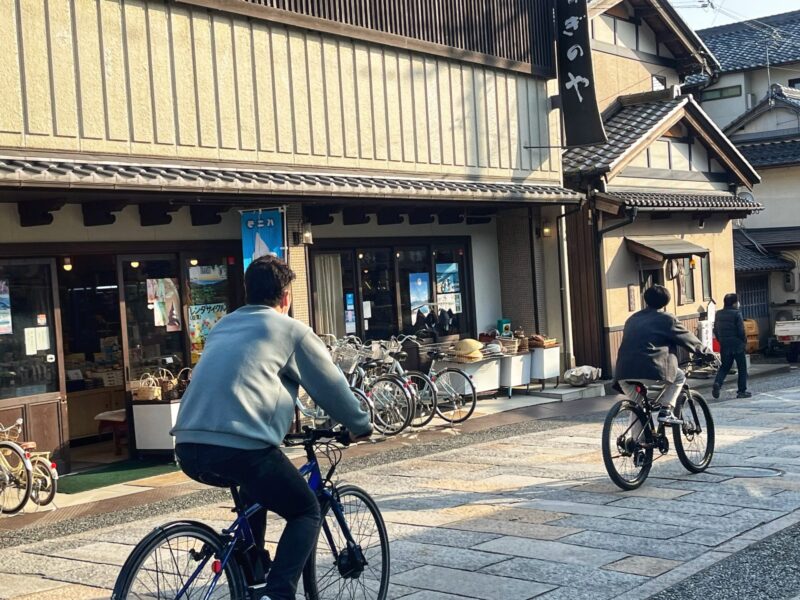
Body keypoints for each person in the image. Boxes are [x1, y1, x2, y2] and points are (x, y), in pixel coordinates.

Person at [171, 256, 373, 600]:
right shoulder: (290, 330)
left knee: (257, 493)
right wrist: (359, 425)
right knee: (306, 510)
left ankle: (252, 575)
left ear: (248, 292)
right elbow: (330, 386)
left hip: (188, 447)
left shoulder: (223, 325)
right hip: (241, 447)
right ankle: (278, 594)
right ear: (286, 297)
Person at [615, 284, 712, 424]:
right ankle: (666, 410)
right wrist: (707, 354)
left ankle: (637, 443)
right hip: (651, 369)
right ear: (666, 301)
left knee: (638, 407)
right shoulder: (667, 319)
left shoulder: (632, 319)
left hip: (623, 372)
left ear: (646, 300)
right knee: (679, 376)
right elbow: (687, 339)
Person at [712, 293, 751, 399]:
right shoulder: (737, 314)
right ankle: (741, 391)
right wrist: (744, 342)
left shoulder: (718, 314)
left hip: (725, 345)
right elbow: (741, 330)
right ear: (734, 303)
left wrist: (721, 341)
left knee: (724, 367)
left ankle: (717, 383)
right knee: (742, 368)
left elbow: (715, 329)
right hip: (737, 344)